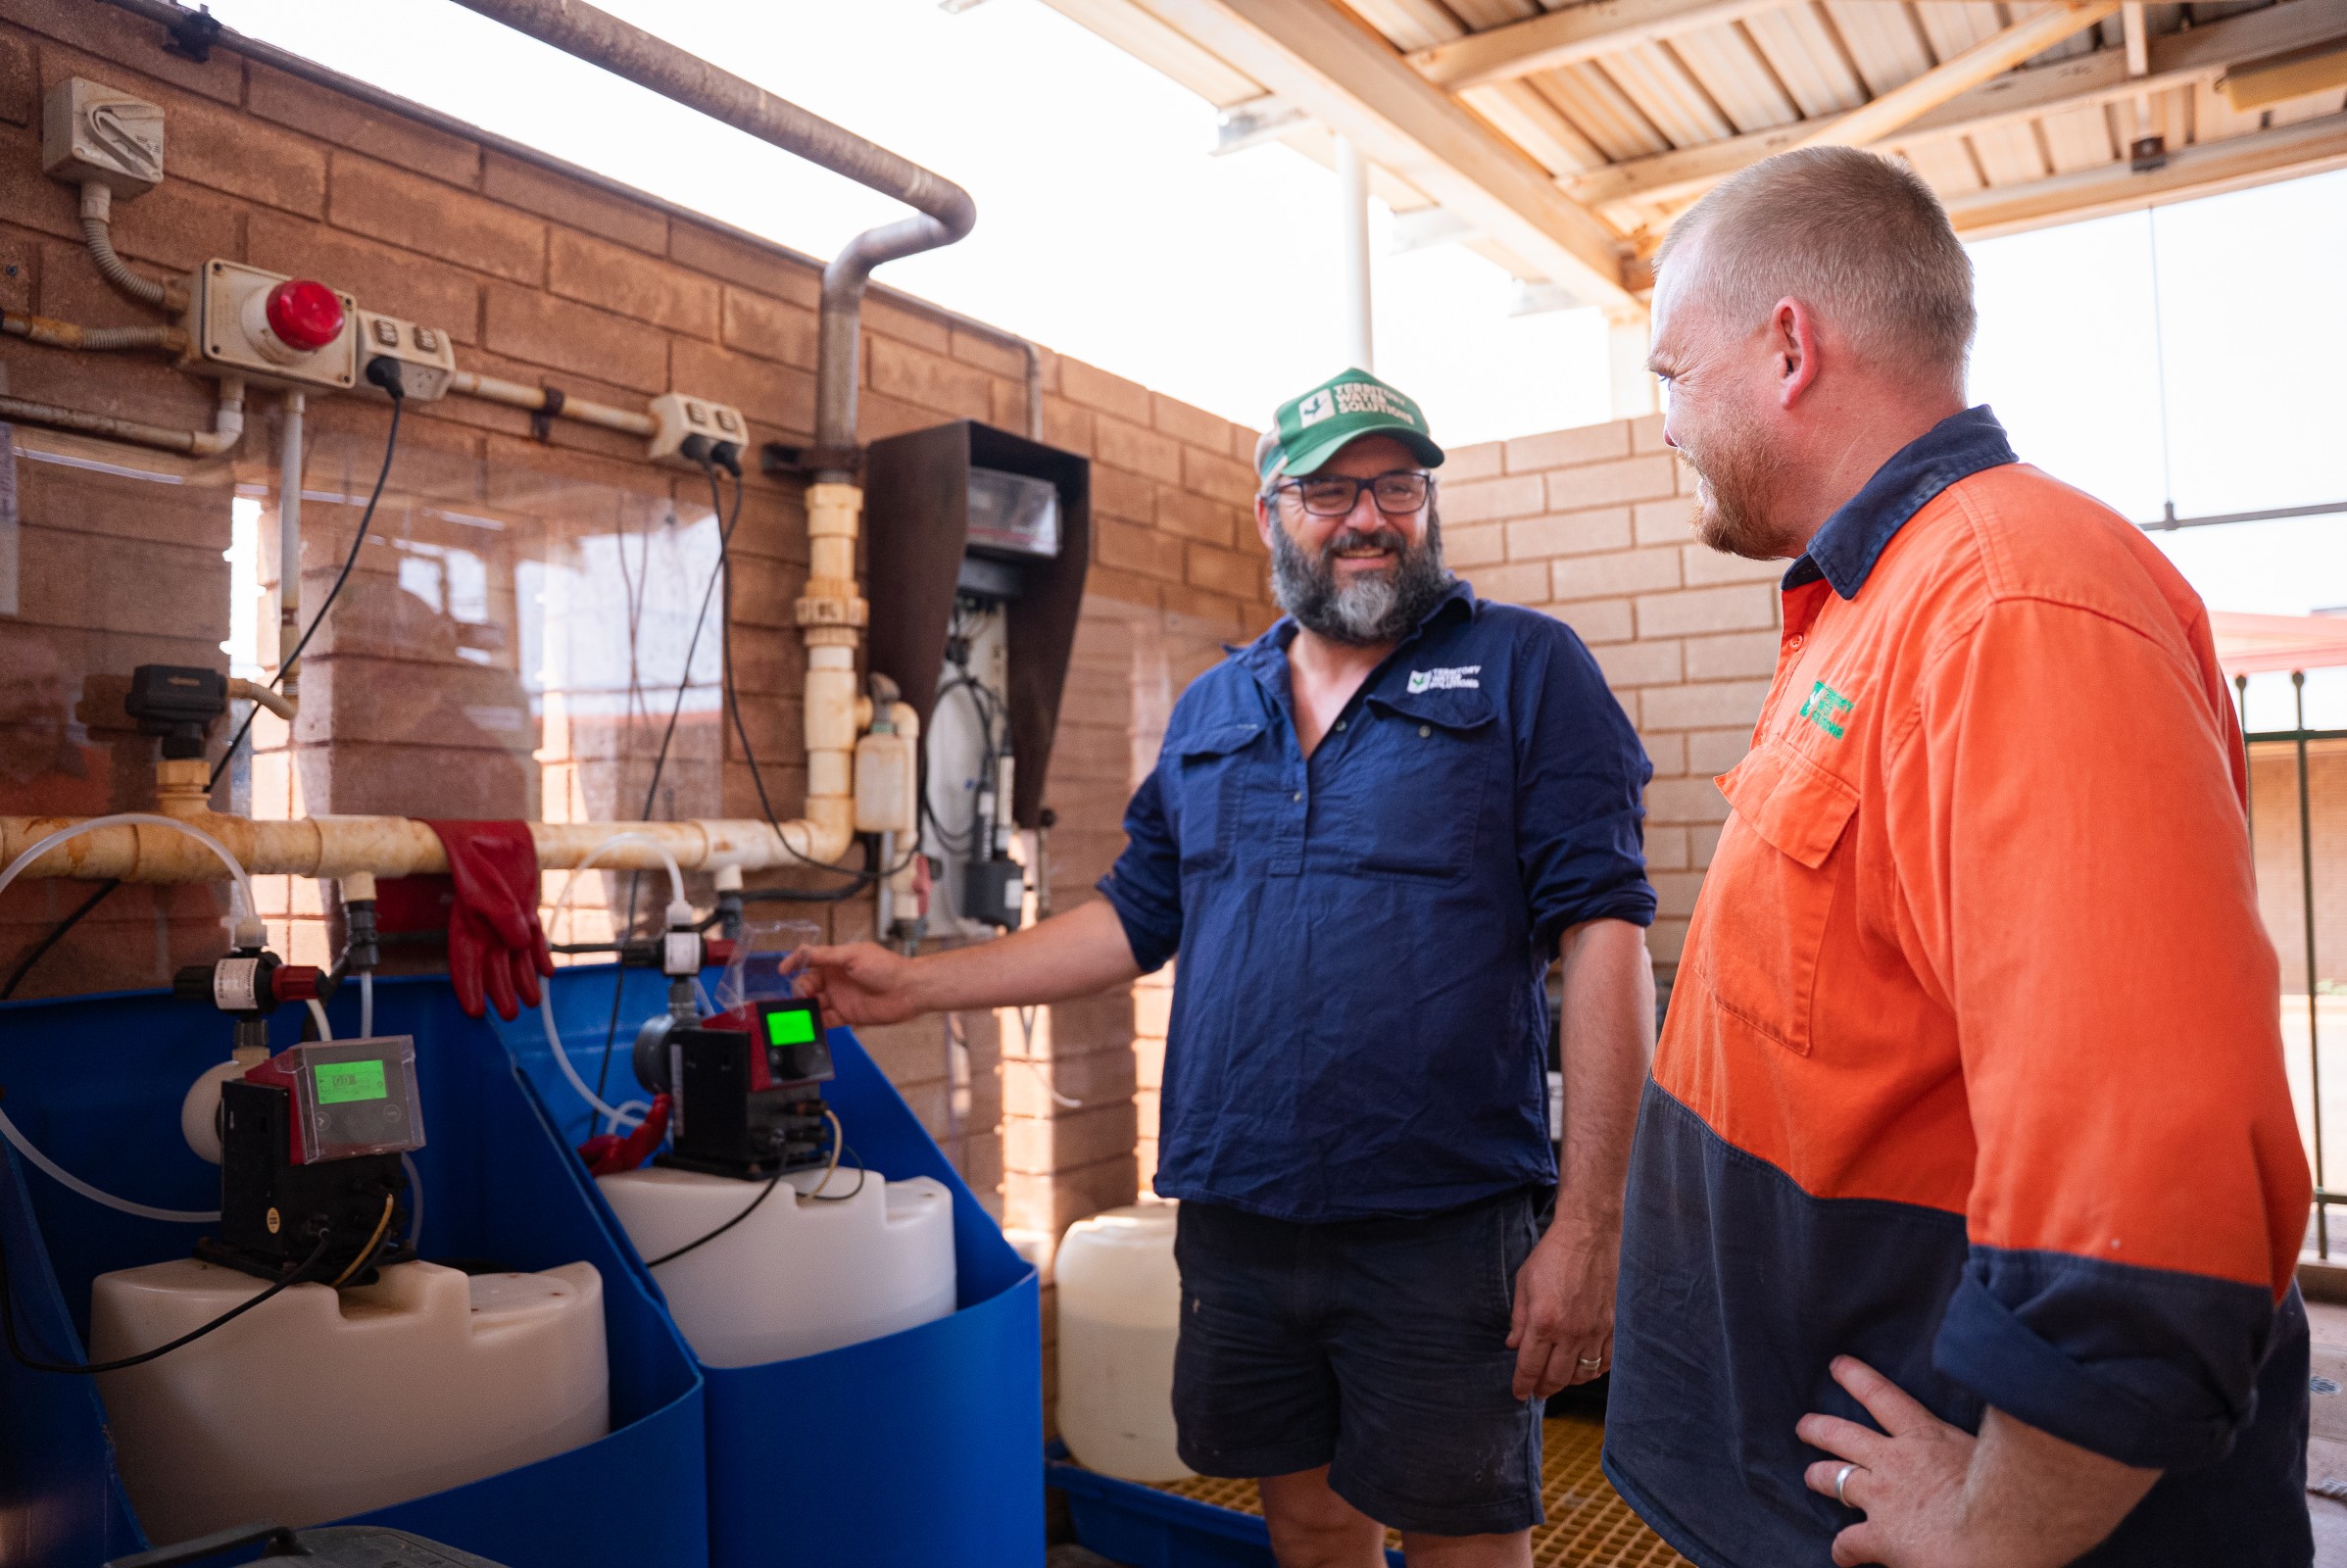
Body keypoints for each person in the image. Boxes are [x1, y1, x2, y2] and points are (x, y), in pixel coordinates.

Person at [799, 368, 1658, 1567]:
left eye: (1396, 484)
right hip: (1240, 1206)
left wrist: (1593, 1223)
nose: (1368, 515)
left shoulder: (1524, 667)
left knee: (1466, 1538)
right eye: (1327, 489)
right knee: (1306, 1523)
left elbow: (1606, 934)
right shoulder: (1214, 707)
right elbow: (1132, 916)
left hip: (1441, 1215)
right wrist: (916, 982)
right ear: (1270, 514)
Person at [1601, 146, 2312, 1568]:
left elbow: (2149, 1181)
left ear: (1786, 347)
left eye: (1669, 376)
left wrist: (1995, 1530)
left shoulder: (2008, 599)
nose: (1663, 423)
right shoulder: (1884, 602)